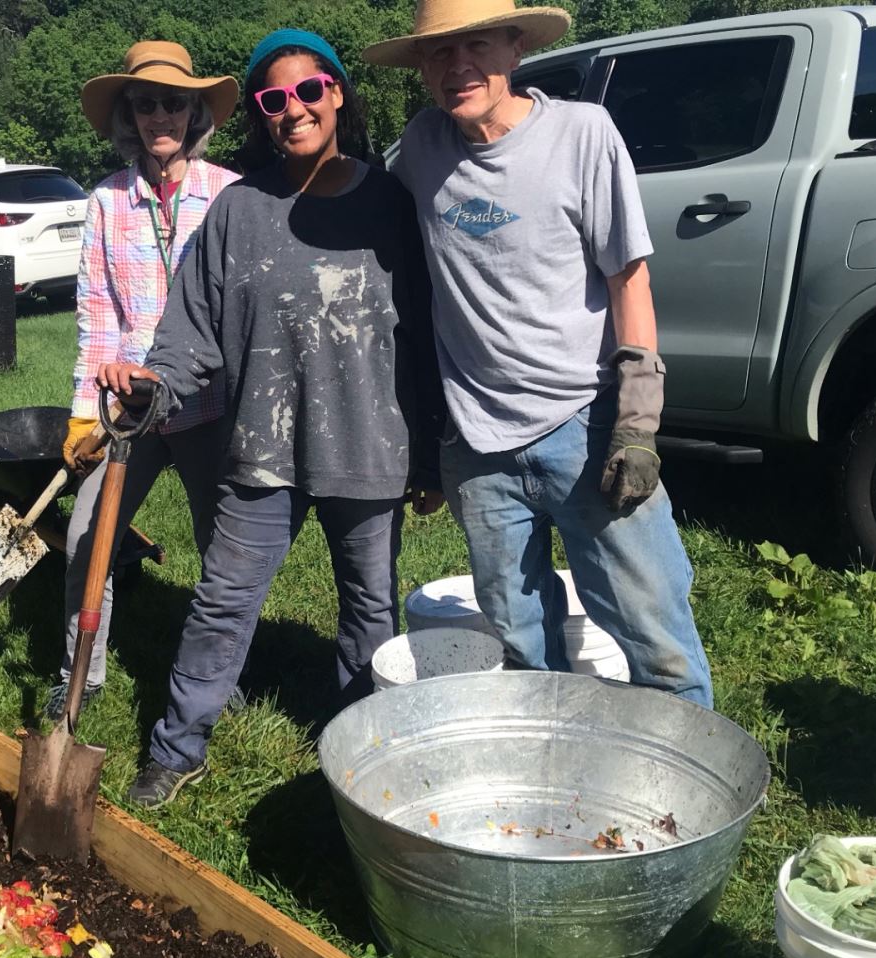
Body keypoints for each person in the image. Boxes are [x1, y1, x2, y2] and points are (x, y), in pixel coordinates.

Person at [99, 29, 444, 807]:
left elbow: (423, 337)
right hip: (262, 449)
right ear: (260, 113)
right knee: (223, 600)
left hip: (370, 447)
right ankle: (178, 747)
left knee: (370, 608)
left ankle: (364, 754)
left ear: (338, 94)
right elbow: (190, 329)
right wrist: (154, 384)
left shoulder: (390, 204)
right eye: (274, 99)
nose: (294, 109)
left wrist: (429, 457)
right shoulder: (238, 211)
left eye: (309, 91)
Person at [364, 0, 714, 708]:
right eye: (440, 52)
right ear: (422, 67)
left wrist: (637, 422)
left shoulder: (582, 134)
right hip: (476, 447)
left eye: (478, 45)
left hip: (583, 426)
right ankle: (553, 759)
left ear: (516, 48)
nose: (459, 66)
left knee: (655, 633)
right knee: (521, 643)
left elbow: (629, 278)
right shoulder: (423, 146)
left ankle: (688, 764)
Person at [48, 42, 242, 721]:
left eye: (174, 103)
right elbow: (97, 311)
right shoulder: (106, 200)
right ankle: (80, 672)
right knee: (86, 539)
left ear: (195, 113)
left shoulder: (229, 193)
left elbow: (239, 309)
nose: (161, 115)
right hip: (128, 409)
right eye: (146, 103)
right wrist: (86, 411)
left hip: (209, 402)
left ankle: (220, 677)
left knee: (225, 550)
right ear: (128, 115)